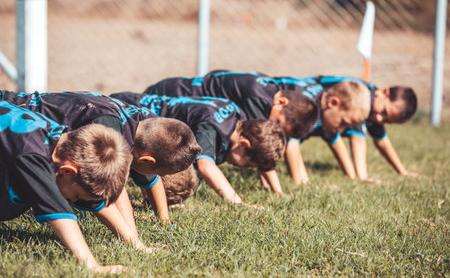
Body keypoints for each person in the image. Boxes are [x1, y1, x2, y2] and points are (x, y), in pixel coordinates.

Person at [0, 90, 202, 225]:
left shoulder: (144, 124)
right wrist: (132, 237)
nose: (156, 178)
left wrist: (164, 219)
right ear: (146, 160)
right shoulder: (109, 131)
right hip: (11, 117)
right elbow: (115, 188)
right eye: (159, 172)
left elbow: (150, 178)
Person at [141, 70, 370, 185]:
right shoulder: (260, 100)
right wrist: (279, 188)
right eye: (343, 123)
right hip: (167, 96)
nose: (341, 130)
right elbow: (263, 146)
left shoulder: (277, 100)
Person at [0, 101, 136, 273]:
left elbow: (93, 202)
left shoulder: (59, 141)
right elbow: (58, 211)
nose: (74, 201)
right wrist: (92, 266)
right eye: (76, 197)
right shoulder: (31, 153)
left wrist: (133, 241)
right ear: (67, 170)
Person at [110, 92, 286, 208]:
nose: (243, 169)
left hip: (133, 101)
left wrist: (277, 191)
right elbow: (205, 166)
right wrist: (237, 203)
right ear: (244, 144)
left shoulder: (236, 117)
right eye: (248, 163)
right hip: (125, 112)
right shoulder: (211, 126)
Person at [267, 75, 418, 181]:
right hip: (297, 99)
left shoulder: (365, 110)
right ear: (384, 93)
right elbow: (357, 138)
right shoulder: (359, 98)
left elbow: (382, 141)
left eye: (387, 121)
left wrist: (402, 171)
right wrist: (361, 177)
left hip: (323, 110)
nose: (380, 119)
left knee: (329, 132)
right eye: (384, 112)